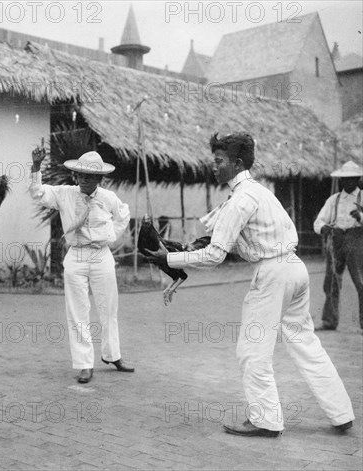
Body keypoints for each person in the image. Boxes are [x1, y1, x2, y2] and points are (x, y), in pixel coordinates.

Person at [145, 132, 355, 437]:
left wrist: (170, 260)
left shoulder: (241, 199)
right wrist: (178, 255)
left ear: (237, 162)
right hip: (294, 269)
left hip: (273, 273)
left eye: (219, 161)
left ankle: (266, 420)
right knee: (306, 345)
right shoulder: (259, 192)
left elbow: (215, 254)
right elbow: (219, 242)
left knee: (252, 350)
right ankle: (341, 413)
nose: (213, 167)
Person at [29, 148, 133, 384]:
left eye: (90, 176)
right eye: (81, 175)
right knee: (78, 312)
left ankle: (113, 355)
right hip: (76, 256)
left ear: (99, 178)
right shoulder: (65, 194)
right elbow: (37, 193)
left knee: (108, 308)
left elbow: (123, 215)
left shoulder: (108, 198)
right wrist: (35, 167)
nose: (85, 179)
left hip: (101, 256)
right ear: (75, 176)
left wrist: (110, 236)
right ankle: (85, 364)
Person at [313, 161, 363, 332]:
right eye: (343, 179)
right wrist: (323, 228)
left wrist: (360, 217)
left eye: (350, 179)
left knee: (361, 282)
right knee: (331, 282)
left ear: (358, 179)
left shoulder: (362, 197)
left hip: (357, 240)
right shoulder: (333, 200)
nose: (347, 183)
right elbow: (319, 221)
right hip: (337, 240)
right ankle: (329, 320)